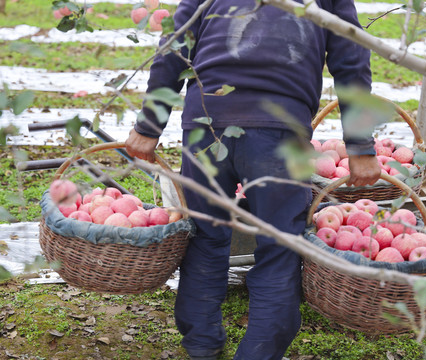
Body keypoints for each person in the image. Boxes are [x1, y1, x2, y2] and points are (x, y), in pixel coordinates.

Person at [124, 0, 382, 358]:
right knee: (279, 247)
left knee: (204, 236)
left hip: (208, 124)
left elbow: (175, 44)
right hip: (278, 129)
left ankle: (202, 347)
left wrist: (149, 125)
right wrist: (359, 146)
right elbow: (350, 57)